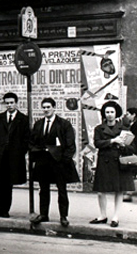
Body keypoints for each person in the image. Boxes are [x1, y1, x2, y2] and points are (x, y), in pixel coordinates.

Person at [29, 97, 79, 227]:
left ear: (54, 108)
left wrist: (64, 161)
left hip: (59, 163)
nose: (46, 110)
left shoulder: (64, 124)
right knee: (43, 189)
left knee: (62, 190)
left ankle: (63, 216)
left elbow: (71, 146)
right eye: (44, 107)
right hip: (43, 163)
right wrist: (37, 155)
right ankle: (43, 214)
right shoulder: (38, 124)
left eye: (48, 107)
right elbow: (32, 142)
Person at [0, 92, 29, 218]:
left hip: (13, 158)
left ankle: (5, 210)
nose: (9, 105)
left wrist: (19, 153)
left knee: (8, 185)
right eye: (7, 103)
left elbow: (26, 139)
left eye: (11, 102)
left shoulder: (23, 119)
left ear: (16, 103)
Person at [91, 100, 135, 227]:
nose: (109, 114)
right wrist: (112, 141)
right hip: (104, 161)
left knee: (119, 190)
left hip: (118, 161)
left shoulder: (125, 129)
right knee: (101, 191)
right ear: (104, 114)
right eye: (107, 112)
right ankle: (103, 215)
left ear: (116, 114)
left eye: (112, 112)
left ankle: (115, 217)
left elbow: (132, 148)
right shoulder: (99, 129)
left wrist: (122, 145)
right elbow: (97, 143)